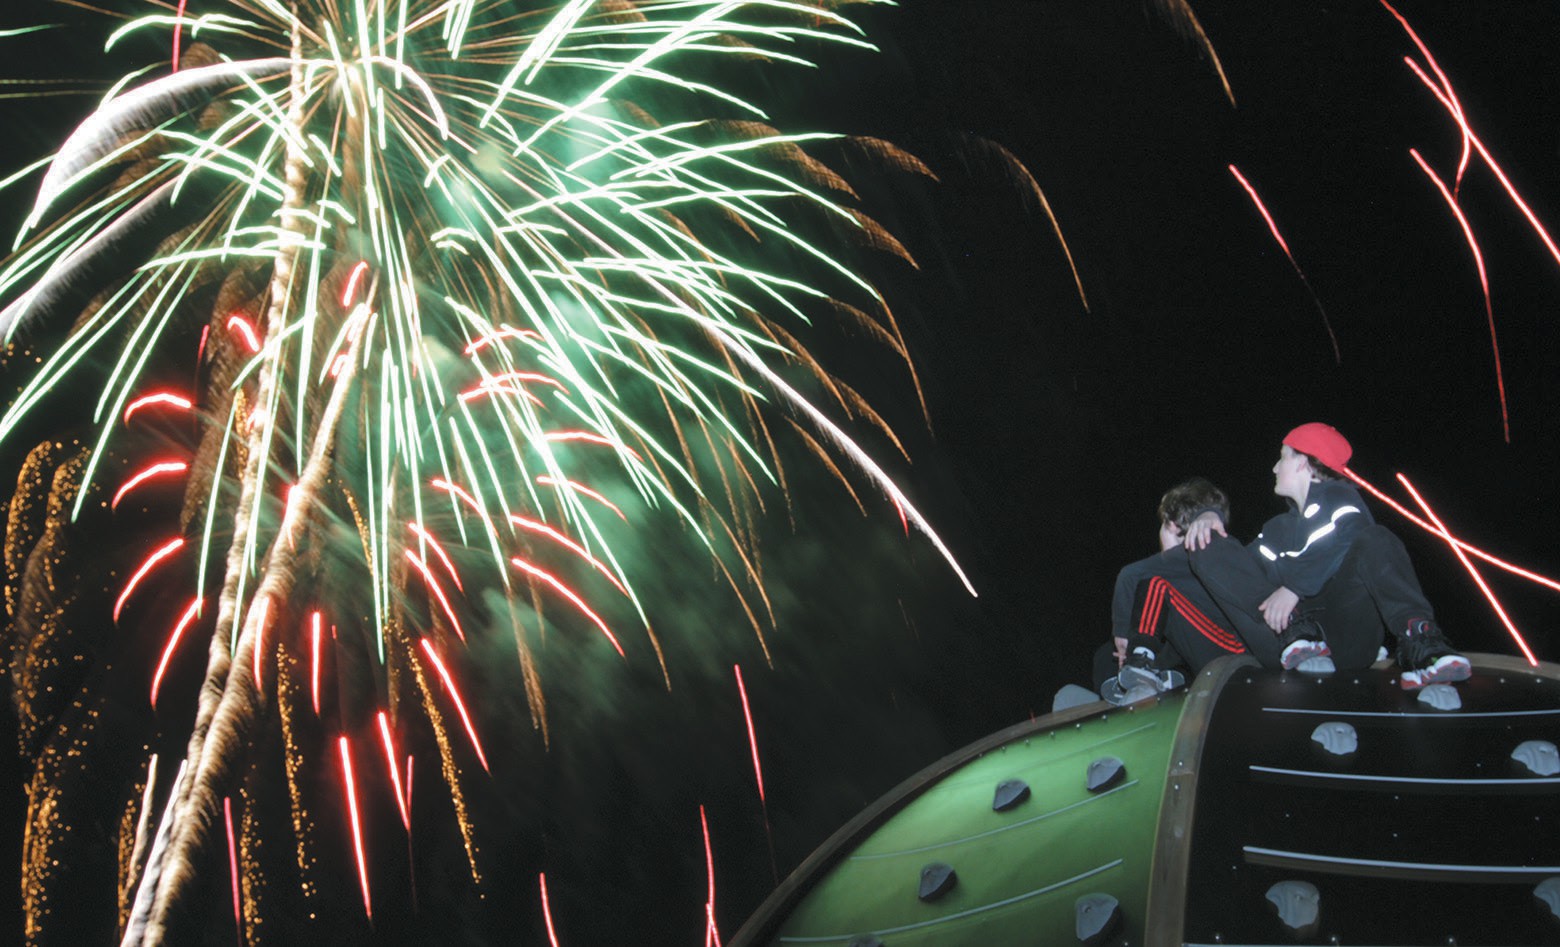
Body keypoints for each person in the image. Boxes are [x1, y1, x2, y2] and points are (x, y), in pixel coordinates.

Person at [1180, 422, 1470, 690]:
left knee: (1376, 538)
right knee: (1208, 545)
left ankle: (1420, 640)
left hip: (1347, 641)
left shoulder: (1343, 501)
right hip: (1284, 644)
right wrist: (1208, 516)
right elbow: (1236, 572)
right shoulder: (1276, 530)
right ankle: (1296, 634)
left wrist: (1294, 587)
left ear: (1303, 461)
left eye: (1283, 457)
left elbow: (1351, 533)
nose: (1274, 467)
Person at [1100, 478, 1280, 701]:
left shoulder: (1193, 550)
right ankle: (1151, 669)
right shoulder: (1194, 568)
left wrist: (1121, 633)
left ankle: (1143, 663)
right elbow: (1187, 629)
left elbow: (1129, 574)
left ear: (1172, 525)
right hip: (1222, 647)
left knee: (1155, 585)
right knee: (1160, 601)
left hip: (1235, 651)